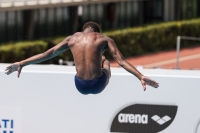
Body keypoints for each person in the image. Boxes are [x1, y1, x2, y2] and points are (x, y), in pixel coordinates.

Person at [5, 21, 159, 94]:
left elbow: (47, 54)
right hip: (98, 84)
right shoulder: (104, 39)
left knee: (80, 61)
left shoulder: (72, 39)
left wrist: (22, 63)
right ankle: (103, 63)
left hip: (79, 85)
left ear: (84, 30)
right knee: (106, 62)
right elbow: (121, 61)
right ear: (97, 32)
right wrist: (140, 76)